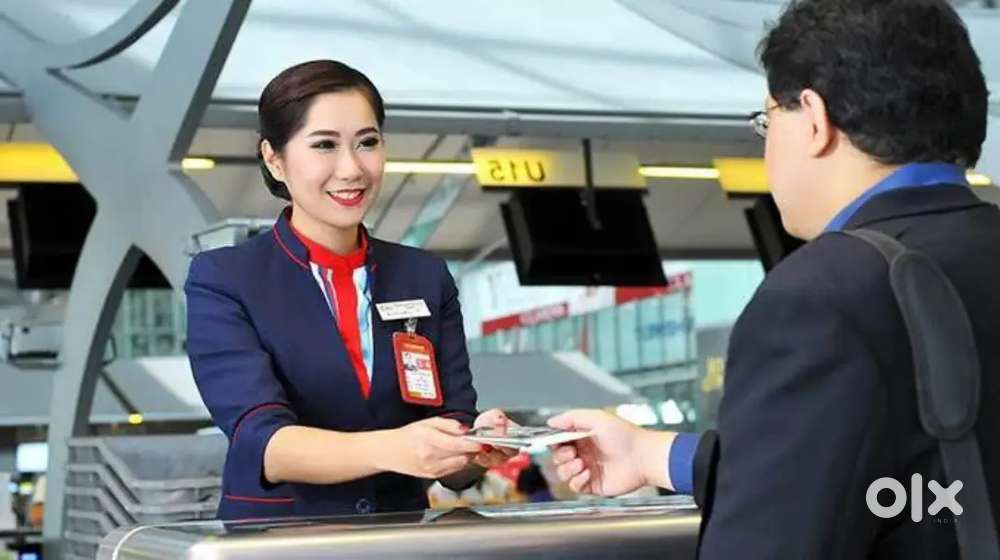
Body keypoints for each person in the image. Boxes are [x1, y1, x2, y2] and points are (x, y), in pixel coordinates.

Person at [549, 1, 999, 558]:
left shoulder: (822, 296)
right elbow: (920, 482)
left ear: (813, 119)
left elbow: (780, 530)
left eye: (766, 122)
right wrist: (649, 454)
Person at [186, 60, 513, 520]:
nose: (352, 168)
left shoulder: (424, 276)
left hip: (395, 539)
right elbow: (266, 444)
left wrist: (476, 449)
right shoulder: (226, 278)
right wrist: (395, 447)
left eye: (367, 142)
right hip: (277, 541)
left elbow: (450, 438)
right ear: (274, 159)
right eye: (324, 145)